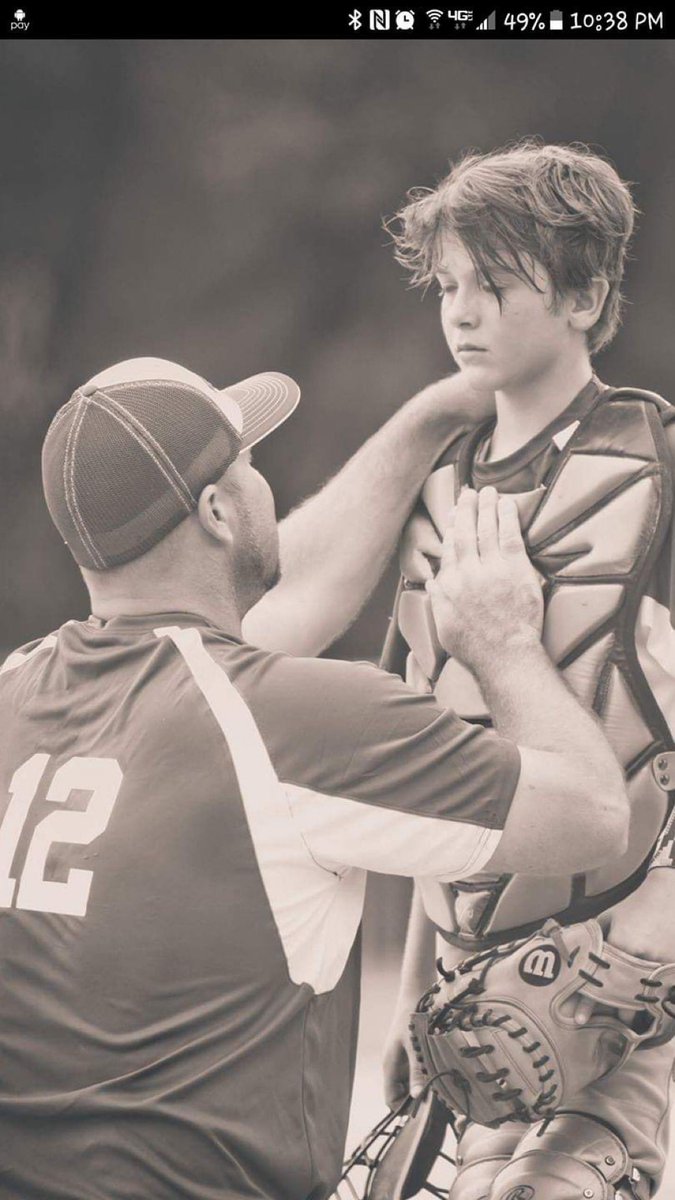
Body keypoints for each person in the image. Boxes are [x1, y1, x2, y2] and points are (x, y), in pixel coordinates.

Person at [0, 356, 628, 1200]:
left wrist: (436, 412)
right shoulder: (300, 719)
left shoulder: (19, 692)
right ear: (219, 512)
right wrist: (500, 643)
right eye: (248, 466)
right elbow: (590, 813)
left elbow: (284, 600)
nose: (266, 486)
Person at [381, 140, 675, 1200]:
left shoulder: (655, 465)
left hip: (618, 978)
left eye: (496, 287)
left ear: (588, 295)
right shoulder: (432, 495)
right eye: (450, 286)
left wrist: (651, 941)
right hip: (469, 993)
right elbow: (435, 758)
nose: (462, 313)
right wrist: (417, 1001)